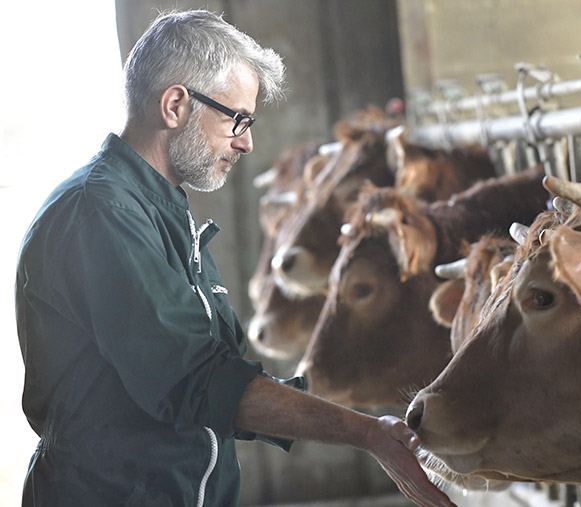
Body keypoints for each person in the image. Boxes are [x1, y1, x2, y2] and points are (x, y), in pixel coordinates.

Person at [14, 9, 454, 507]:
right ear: (176, 104)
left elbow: (216, 377)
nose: (246, 141)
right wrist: (368, 434)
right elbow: (196, 380)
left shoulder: (159, 209)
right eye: (237, 118)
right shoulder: (102, 213)